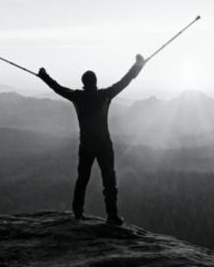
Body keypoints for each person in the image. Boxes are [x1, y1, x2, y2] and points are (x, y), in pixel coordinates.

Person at [37, 54, 146, 225]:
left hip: (86, 145)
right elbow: (125, 81)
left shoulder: (77, 96)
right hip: (104, 145)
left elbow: (57, 88)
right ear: (95, 82)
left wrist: (43, 75)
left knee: (82, 179)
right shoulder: (105, 95)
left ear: (83, 83)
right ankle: (112, 216)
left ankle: (78, 212)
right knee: (109, 181)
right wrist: (138, 65)